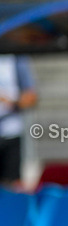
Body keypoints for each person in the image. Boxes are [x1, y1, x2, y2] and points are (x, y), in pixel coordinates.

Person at [0, 54, 38, 188]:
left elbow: (31, 96)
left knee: (11, 186)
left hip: (11, 133)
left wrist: (11, 102)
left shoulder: (17, 59)